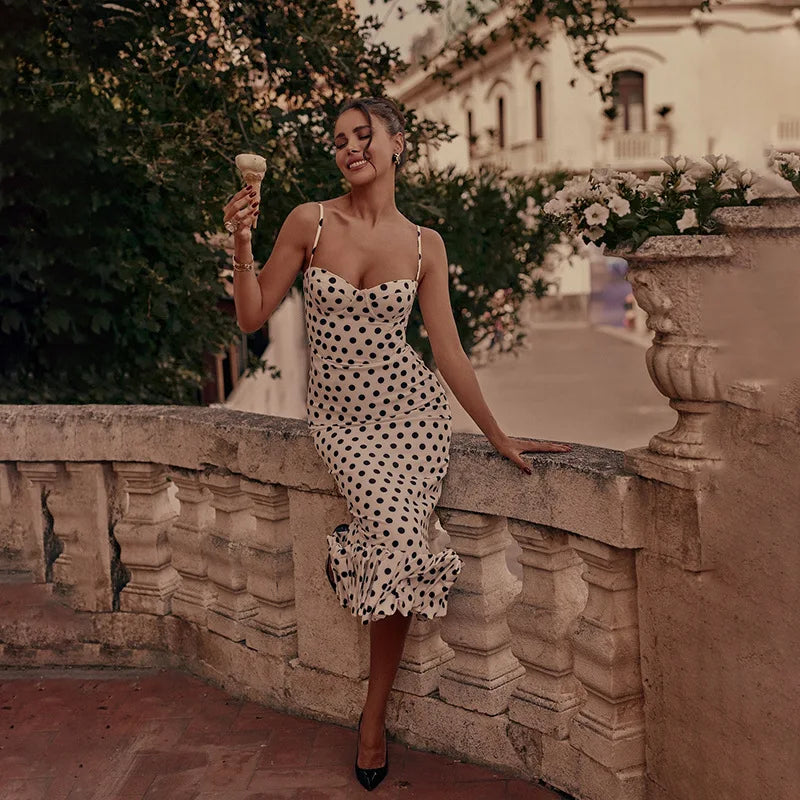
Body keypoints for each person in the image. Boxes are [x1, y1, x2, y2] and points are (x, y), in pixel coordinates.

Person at [222, 95, 572, 791]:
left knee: (398, 542)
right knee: (393, 534)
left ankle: (373, 718)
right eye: (339, 140)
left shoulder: (423, 245)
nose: (350, 148)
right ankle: (350, 561)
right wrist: (240, 243)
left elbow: (447, 351)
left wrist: (498, 435)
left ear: (396, 143)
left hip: (412, 416)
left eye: (363, 135)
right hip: (341, 424)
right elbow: (253, 315)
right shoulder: (310, 221)